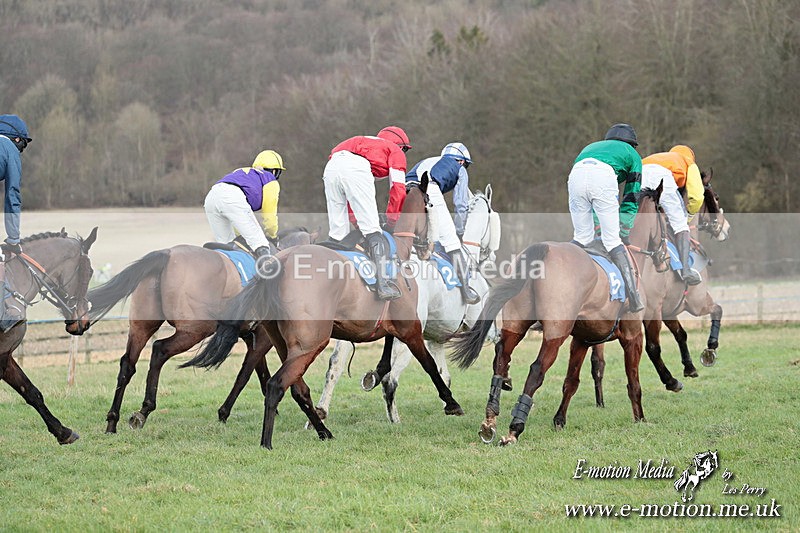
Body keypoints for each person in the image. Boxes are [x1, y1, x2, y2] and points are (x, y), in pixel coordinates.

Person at [323, 126, 411, 300]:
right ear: (400, 145)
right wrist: (391, 221)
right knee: (373, 230)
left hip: (331, 165)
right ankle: (384, 285)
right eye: (405, 149)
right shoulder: (395, 151)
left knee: (338, 232)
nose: (404, 153)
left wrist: (356, 221)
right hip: (355, 167)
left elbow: (351, 200)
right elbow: (398, 189)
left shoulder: (363, 142)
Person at [568, 123, 644, 313]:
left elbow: (591, 198)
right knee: (612, 241)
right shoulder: (633, 155)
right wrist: (624, 230)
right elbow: (631, 196)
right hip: (601, 177)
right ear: (632, 143)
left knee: (582, 238)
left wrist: (597, 226)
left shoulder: (591, 147)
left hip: (575, 175)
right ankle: (633, 296)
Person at [406, 142, 479, 304]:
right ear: (461, 161)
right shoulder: (459, 168)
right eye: (465, 165)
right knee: (452, 242)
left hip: (405, 189)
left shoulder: (429, 160)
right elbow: (461, 203)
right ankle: (466, 290)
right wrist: (459, 231)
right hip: (429, 189)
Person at [204, 149, 285, 258]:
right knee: (259, 241)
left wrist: (241, 236)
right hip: (232, 196)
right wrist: (272, 236)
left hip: (211, 196)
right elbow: (269, 216)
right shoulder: (270, 180)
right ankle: (268, 270)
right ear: (275, 171)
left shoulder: (241, 172)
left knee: (226, 246)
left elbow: (238, 218)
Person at [642, 145, 704, 285]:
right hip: (661, 177)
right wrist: (688, 216)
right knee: (680, 226)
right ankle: (686, 270)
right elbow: (697, 196)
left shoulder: (658, 157)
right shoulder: (688, 162)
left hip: (638, 173)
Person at [0, 114, 32, 332]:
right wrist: (13, 239)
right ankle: (5, 313)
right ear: (17, 139)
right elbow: (12, 196)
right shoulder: (9, 150)